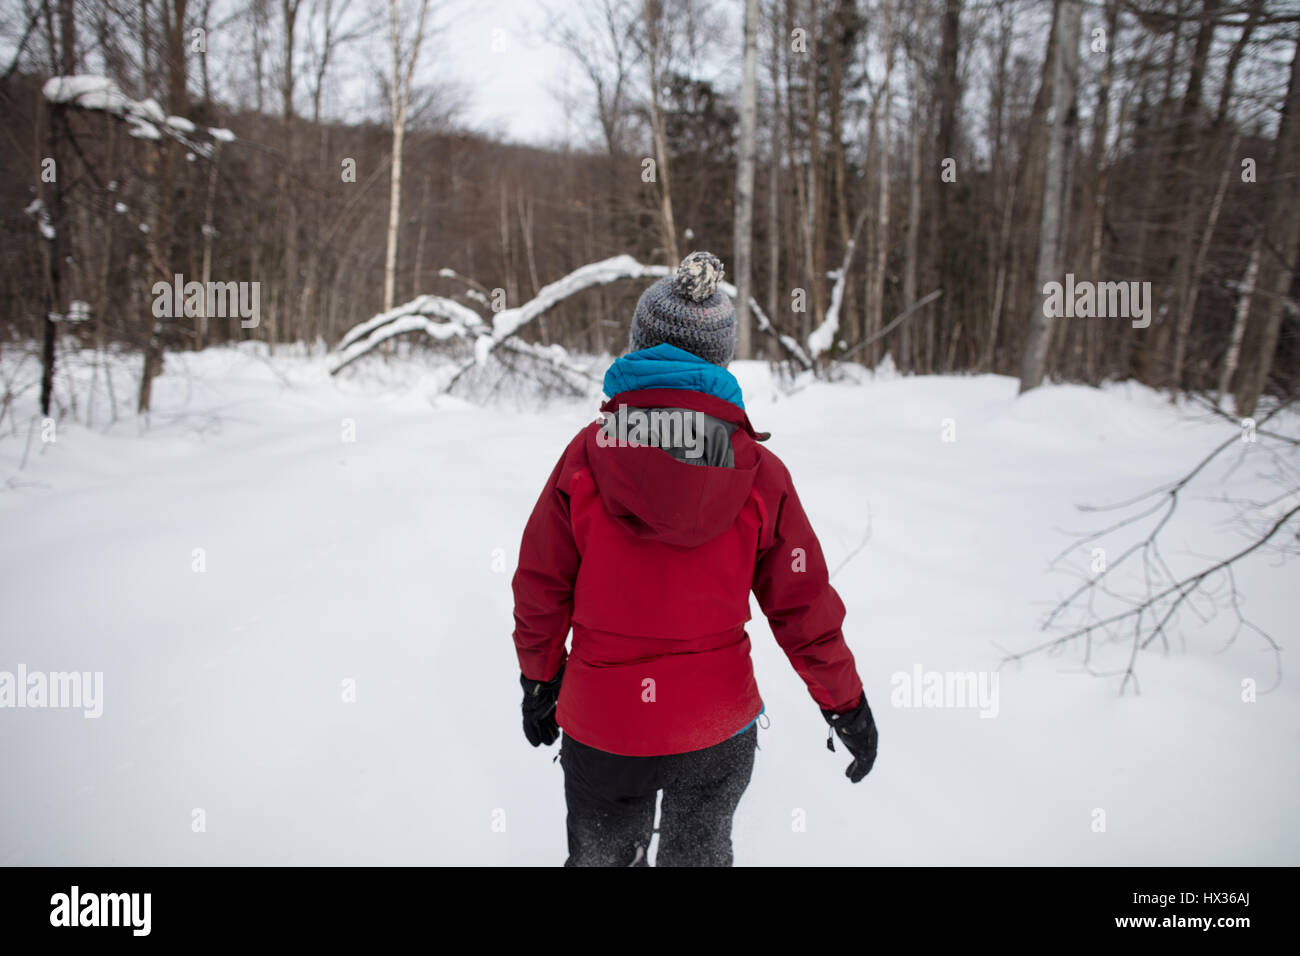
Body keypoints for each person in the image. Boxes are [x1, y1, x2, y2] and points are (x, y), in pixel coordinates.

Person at [511, 251, 878, 867]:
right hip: (715, 726)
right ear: (720, 360)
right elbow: (803, 604)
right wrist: (846, 704)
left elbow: (541, 583)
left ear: (639, 346)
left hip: (606, 725)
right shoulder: (758, 472)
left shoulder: (587, 455)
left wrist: (540, 679)